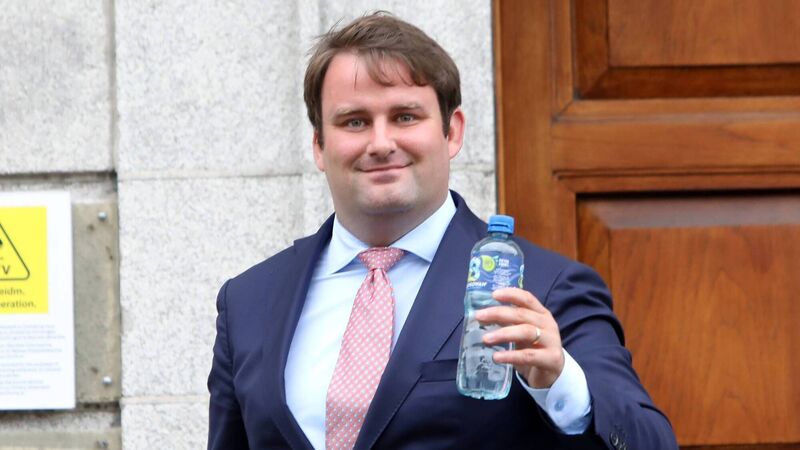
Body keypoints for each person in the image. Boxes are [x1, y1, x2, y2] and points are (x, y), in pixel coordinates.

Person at [207, 12, 678, 450]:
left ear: (452, 132)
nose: (381, 143)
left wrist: (562, 385)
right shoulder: (248, 302)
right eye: (355, 121)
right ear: (319, 145)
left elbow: (649, 440)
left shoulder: (545, 288)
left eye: (405, 116)